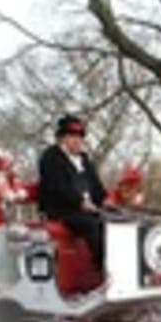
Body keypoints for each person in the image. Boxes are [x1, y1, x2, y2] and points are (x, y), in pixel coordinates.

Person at [38, 114, 107, 271]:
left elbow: (96, 186)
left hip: (88, 208)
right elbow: (56, 187)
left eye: (80, 137)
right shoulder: (50, 158)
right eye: (72, 136)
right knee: (94, 225)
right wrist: (80, 202)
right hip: (63, 209)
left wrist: (104, 201)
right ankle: (101, 269)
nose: (77, 141)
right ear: (62, 138)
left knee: (116, 222)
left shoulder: (84, 159)